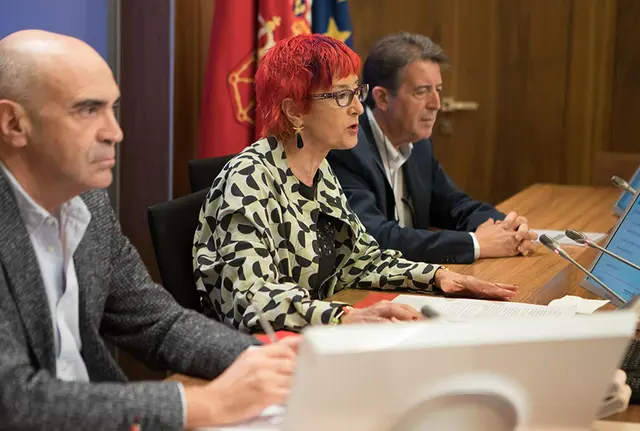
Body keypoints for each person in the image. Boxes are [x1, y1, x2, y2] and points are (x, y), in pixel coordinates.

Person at [0, 30, 299, 430]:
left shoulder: (86, 202)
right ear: (12, 123)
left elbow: (158, 324)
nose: (115, 132)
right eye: (87, 110)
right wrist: (202, 406)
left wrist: (267, 361)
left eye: (113, 108)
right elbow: (3, 399)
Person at [192, 34, 518, 334]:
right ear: (295, 112)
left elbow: (361, 261)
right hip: (256, 362)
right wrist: (345, 316)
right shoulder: (249, 179)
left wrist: (439, 276)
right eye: (341, 96)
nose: (358, 108)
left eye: (356, 92)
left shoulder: (320, 173)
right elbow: (253, 298)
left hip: (319, 343)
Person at [326, 32, 537, 265]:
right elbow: (375, 237)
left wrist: (509, 228)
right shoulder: (347, 148)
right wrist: (475, 244)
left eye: (438, 89)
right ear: (382, 98)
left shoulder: (419, 145)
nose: (436, 104)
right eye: (422, 91)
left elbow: (456, 206)